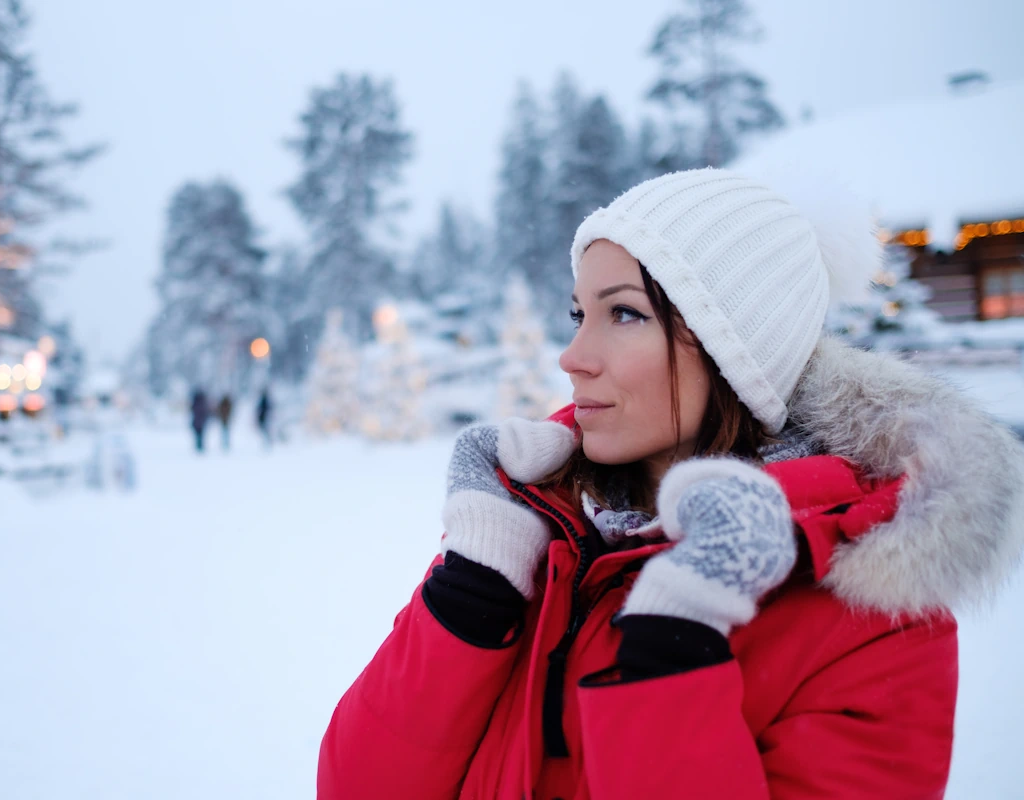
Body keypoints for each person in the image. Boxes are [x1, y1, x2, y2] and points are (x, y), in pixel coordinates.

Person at [318, 168, 1024, 799]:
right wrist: (472, 590)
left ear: (736, 353)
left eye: (624, 313)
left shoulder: (875, 617)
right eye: (579, 314)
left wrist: (672, 649)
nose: (571, 357)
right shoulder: (539, 533)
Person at [189, 389, 209, 453]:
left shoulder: (195, 403)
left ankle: (199, 446)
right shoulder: (203, 403)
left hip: (197, 422)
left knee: (198, 435)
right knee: (200, 435)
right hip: (200, 422)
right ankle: (199, 446)